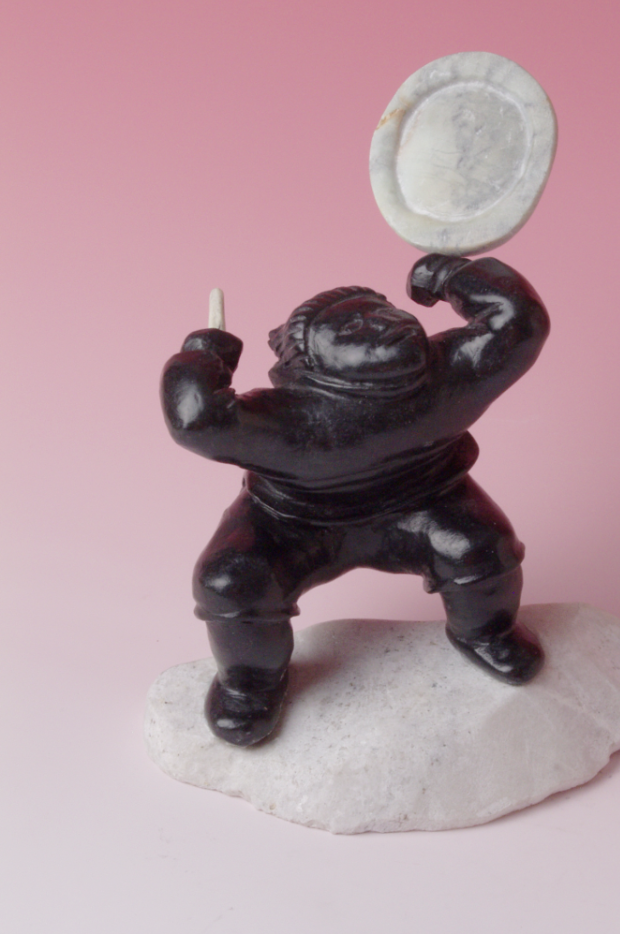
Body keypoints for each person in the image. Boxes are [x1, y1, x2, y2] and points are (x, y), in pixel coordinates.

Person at [161, 253, 550, 745]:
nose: (382, 323)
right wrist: (204, 354)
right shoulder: (288, 419)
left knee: (479, 549)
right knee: (230, 582)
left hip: (425, 501)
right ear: (308, 365)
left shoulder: (447, 377)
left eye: (381, 310)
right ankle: (250, 681)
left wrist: (451, 274)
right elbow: (197, 420)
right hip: (293, 524)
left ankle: (487, 632)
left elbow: (520, 323)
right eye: (351, 328)